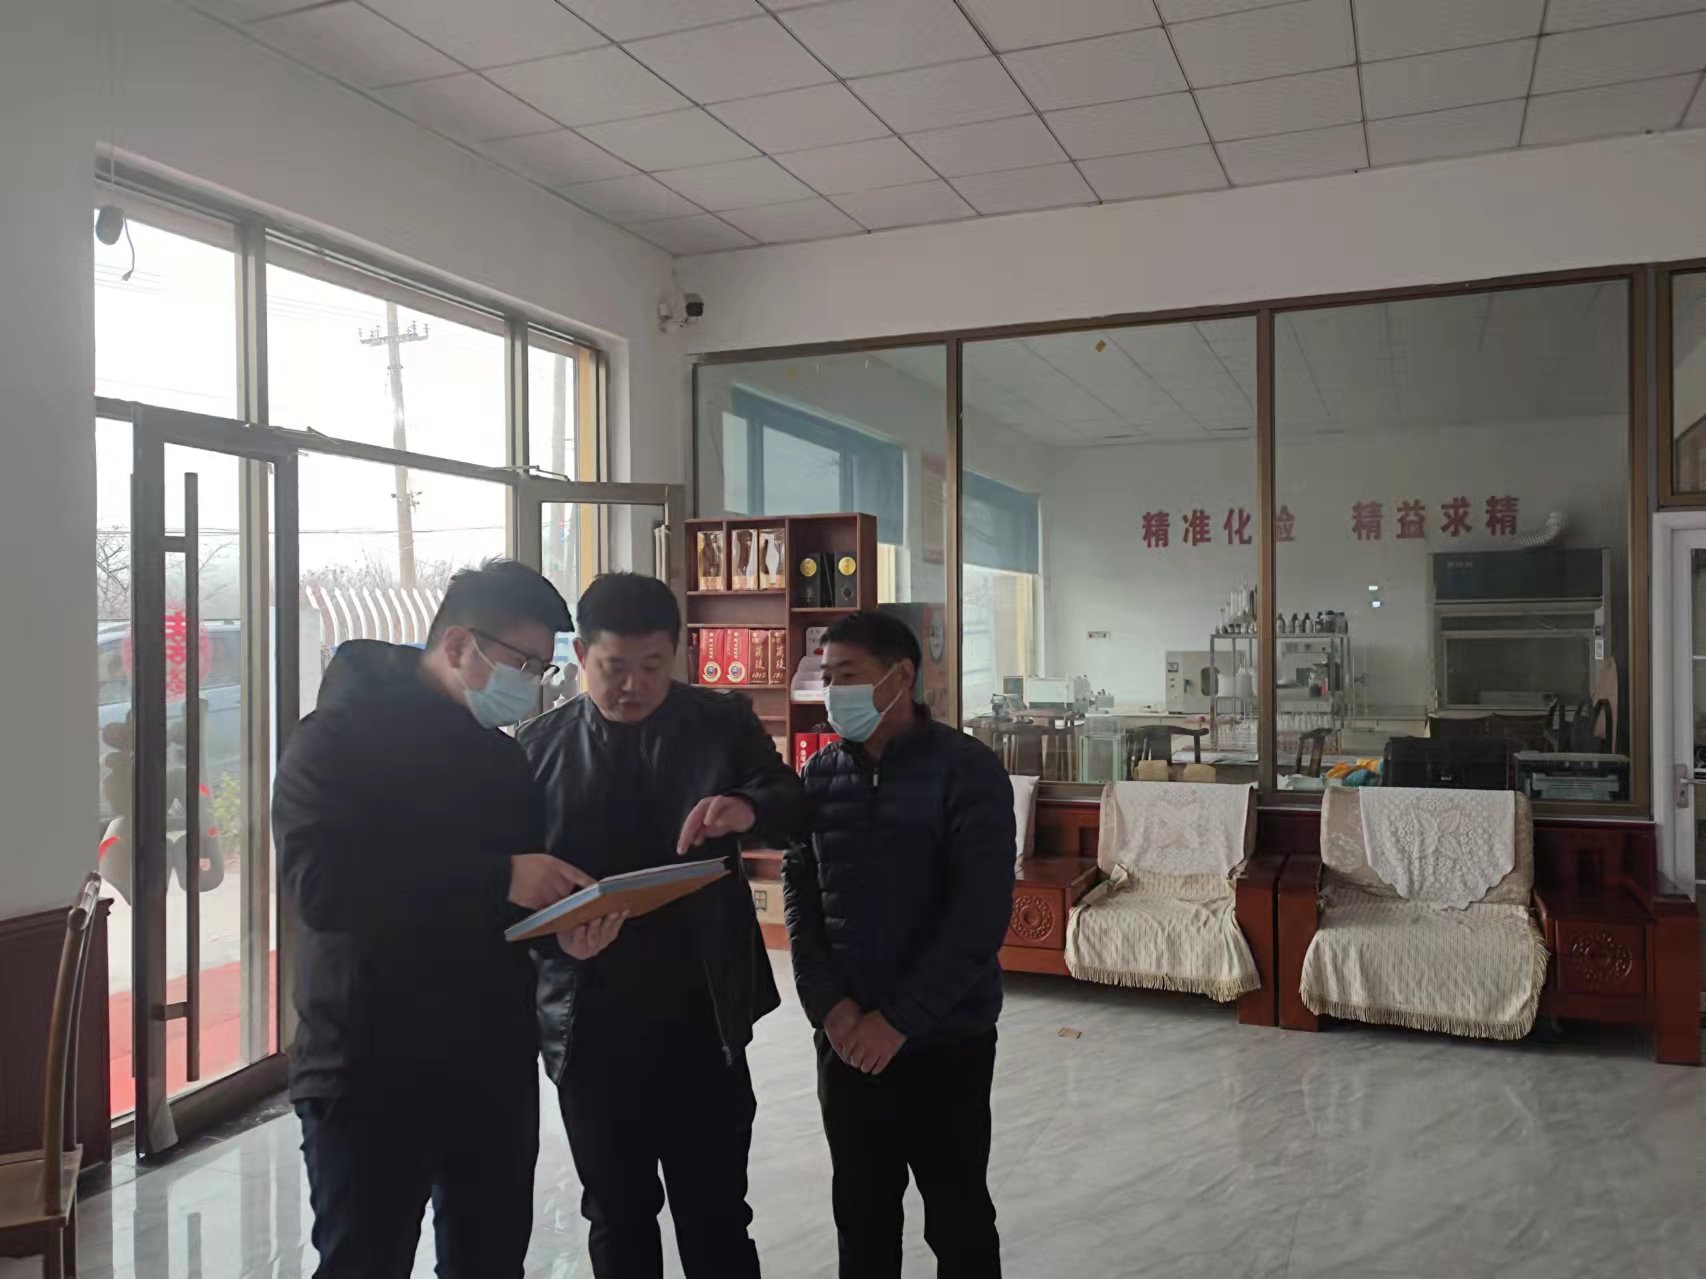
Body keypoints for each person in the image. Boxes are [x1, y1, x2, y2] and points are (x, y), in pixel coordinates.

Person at [275, 560, 624, 1279]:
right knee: (365, 1261)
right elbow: (322, 888)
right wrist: (500, 876)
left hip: (490, 1060)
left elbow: (511, 906)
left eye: (542, 668)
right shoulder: (333, 740)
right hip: (368, 1064)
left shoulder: (502, 759)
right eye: (522, 663)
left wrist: (564, 930)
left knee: (490, 1259)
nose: (532, 683)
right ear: (459, 644)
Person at [518, 572, 808, 1279]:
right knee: (617, 1214)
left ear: (676, 654)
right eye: (614, 667)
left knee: (717, 1212)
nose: (633, 685)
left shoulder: (720, 722)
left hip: (702, 1015)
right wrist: (557, 935)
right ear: (580, 654)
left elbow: (793, 806)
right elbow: (512, 892)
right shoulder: (534, 748)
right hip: (589, 1023)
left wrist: (747, 807)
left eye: (652, 666)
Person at [783, 610, 1016, 1279]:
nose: (834, 693)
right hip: (847, 1043)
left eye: (847, 676)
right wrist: (832, 1011)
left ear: (900, 676)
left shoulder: (967, 771)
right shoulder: (819, 774)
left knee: (958, 1218)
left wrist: (898, 1021)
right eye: (827, 678)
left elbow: (979, 917)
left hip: (946, 1041)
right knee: (861, 1216)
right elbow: (801, 901)